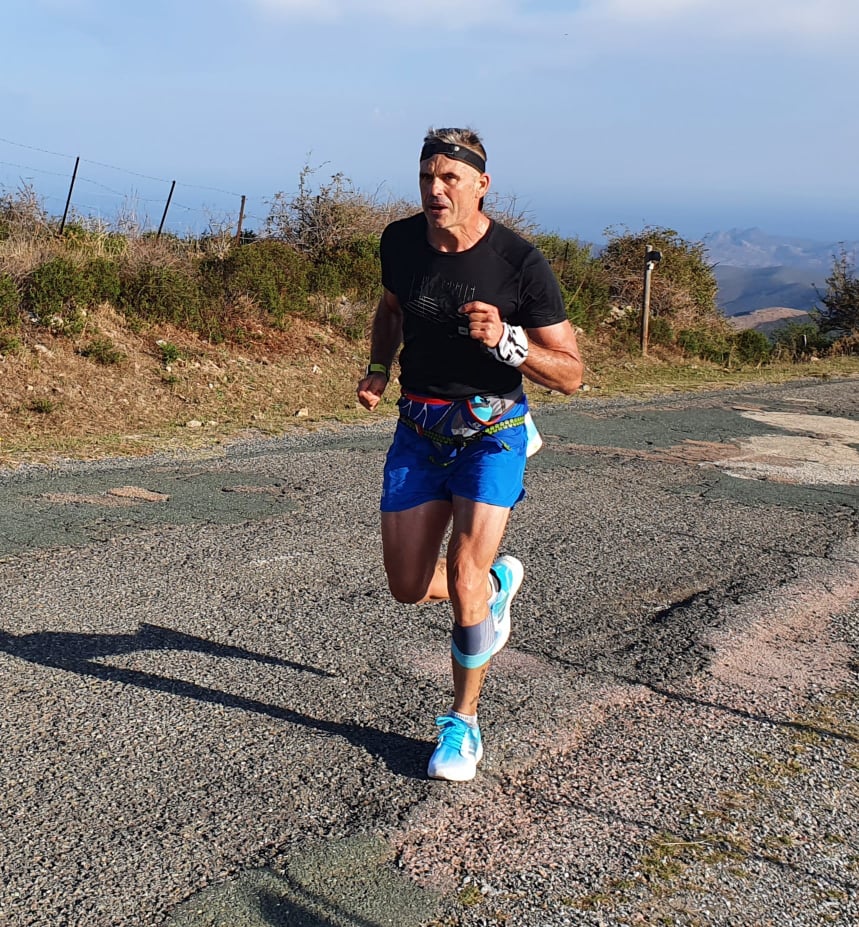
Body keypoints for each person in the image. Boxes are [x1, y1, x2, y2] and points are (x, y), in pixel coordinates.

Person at [357, 127, 583, 782]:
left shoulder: (518, 263)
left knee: (461, 577)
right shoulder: (399, 241)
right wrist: (379, 368)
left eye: (449, 178)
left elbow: (570, 373)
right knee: (406, 586)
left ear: (481, 185)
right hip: (419, 428)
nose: (435, 189)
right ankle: (495, 588)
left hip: (493, 430)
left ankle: (464, 722)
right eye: (426, 177)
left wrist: (510, 341)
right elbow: (391, 309)